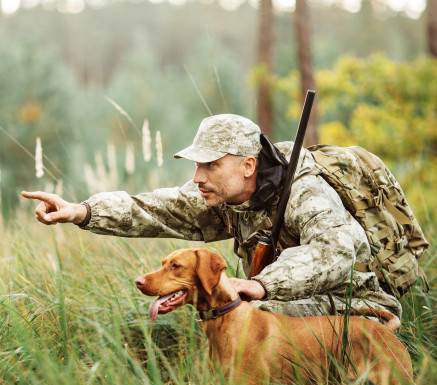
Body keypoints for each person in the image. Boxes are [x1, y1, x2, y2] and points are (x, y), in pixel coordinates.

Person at [22, 114, 402, 318]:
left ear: (248, 165)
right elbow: (154, 208)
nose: (198, 177)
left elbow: (335, 251)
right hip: (290, 302)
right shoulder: (222, 194)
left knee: (252, 311)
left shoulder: (304, 190)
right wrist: (81, 211)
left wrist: (261, 285)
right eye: (197, 165)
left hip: (357, 303)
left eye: (211, 165)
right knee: (237, 311)